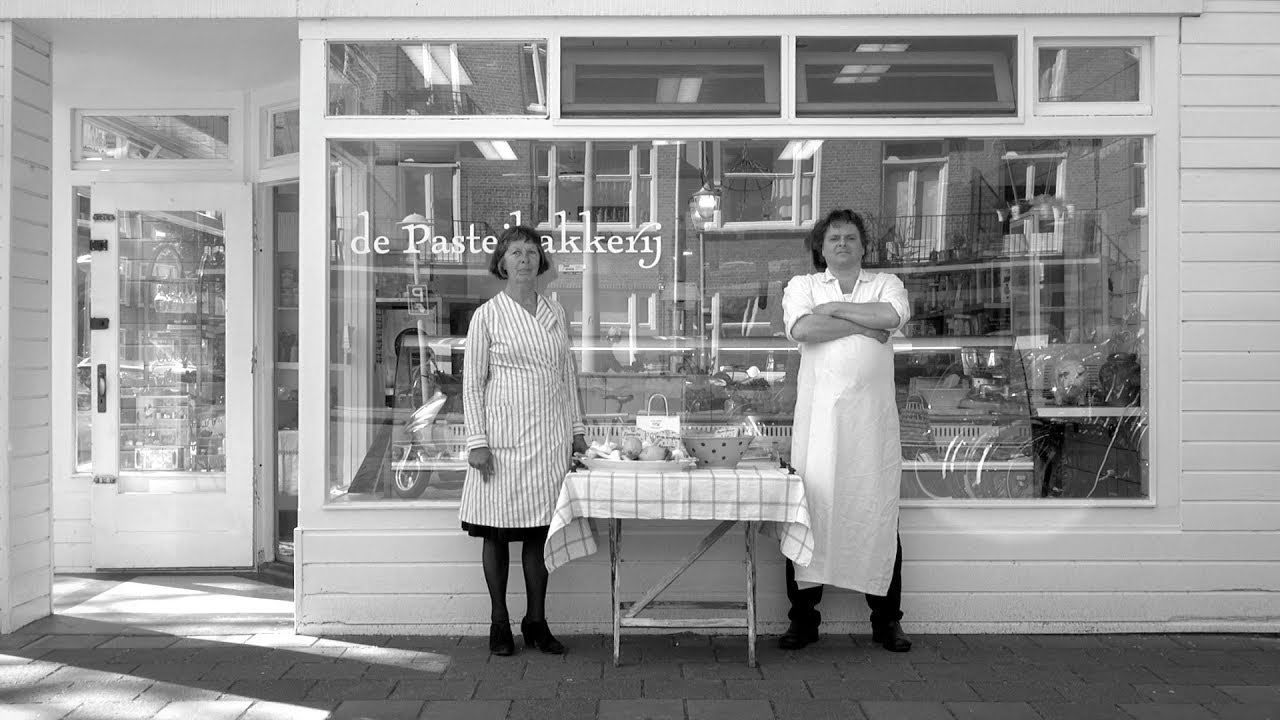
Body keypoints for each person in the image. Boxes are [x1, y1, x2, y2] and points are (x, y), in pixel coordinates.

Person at [779, 208, 913, 653]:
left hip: (871, 429)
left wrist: (836, 308)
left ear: (862, 245)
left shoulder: (887, 283)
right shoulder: (802, 286)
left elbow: (892, 317)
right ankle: (803, 620)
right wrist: (862, 323)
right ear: (821, 247)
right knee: (809, 514)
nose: (842, 244)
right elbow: (803, 327)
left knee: (877, 515)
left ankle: (886, 621)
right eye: (833, 238)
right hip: (819, 426)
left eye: (850, 237)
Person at [460, 225, 588, 656]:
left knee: (538, 536)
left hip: (549, 439)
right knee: (496, 536)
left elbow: (566, 376)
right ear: (501, 262)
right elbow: (472, 384)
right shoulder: (487, 316)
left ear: (541, 262)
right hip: (501, 443)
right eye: (516, 252)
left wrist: (577, 433)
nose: (525, 259)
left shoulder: (555, 313)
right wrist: (477, 440)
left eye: (532, 252)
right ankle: (499, 622)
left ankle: (536, 621)